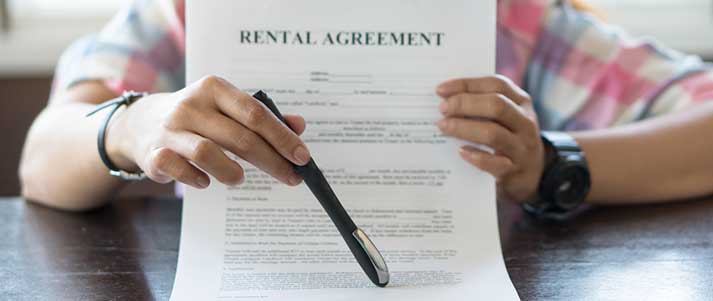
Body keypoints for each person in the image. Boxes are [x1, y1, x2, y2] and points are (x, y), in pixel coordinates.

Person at [19, 0, 713, 214]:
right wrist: (130, 124)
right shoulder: (187, 14)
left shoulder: (508, 20)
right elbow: (43, 159)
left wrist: (549, 162)